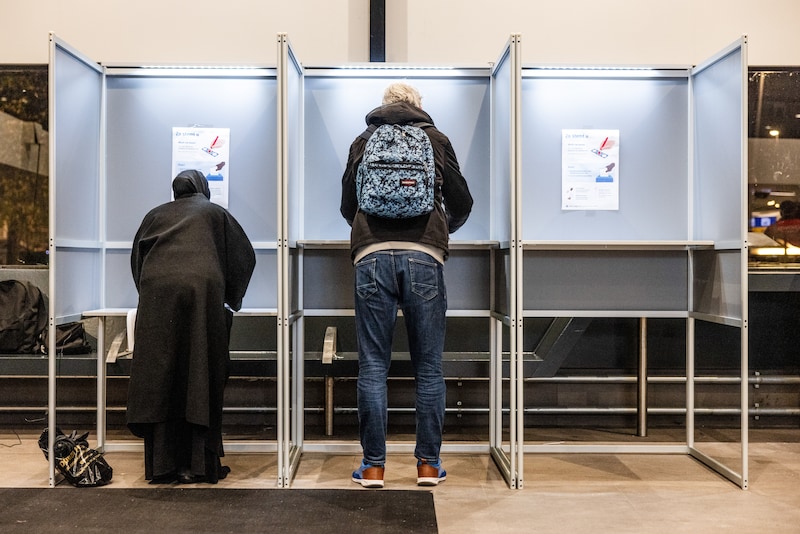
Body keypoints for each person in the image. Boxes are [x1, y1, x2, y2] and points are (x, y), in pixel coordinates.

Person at [340, 82, 473, 488]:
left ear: (384, 107)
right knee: (428, 366)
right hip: (424, 257)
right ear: (419, 107)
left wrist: (370, 233)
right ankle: (428, 466)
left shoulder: (364, 139)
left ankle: (374, 467)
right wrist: (438, 229)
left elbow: (348, 203)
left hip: (371, 258)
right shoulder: (436, 139)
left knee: (374, 365)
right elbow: (463, 200)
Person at [127, 169, 256, 484]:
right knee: (200, 374)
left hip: (158, 297)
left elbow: (136, 261)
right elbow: (245, 257)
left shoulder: (154, 216)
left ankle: (162, 466)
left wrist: (151, 296)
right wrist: (231, 298)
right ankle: (198, 466)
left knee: (162, 379)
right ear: (203, 188)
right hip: (201, 298)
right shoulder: (215, 214)